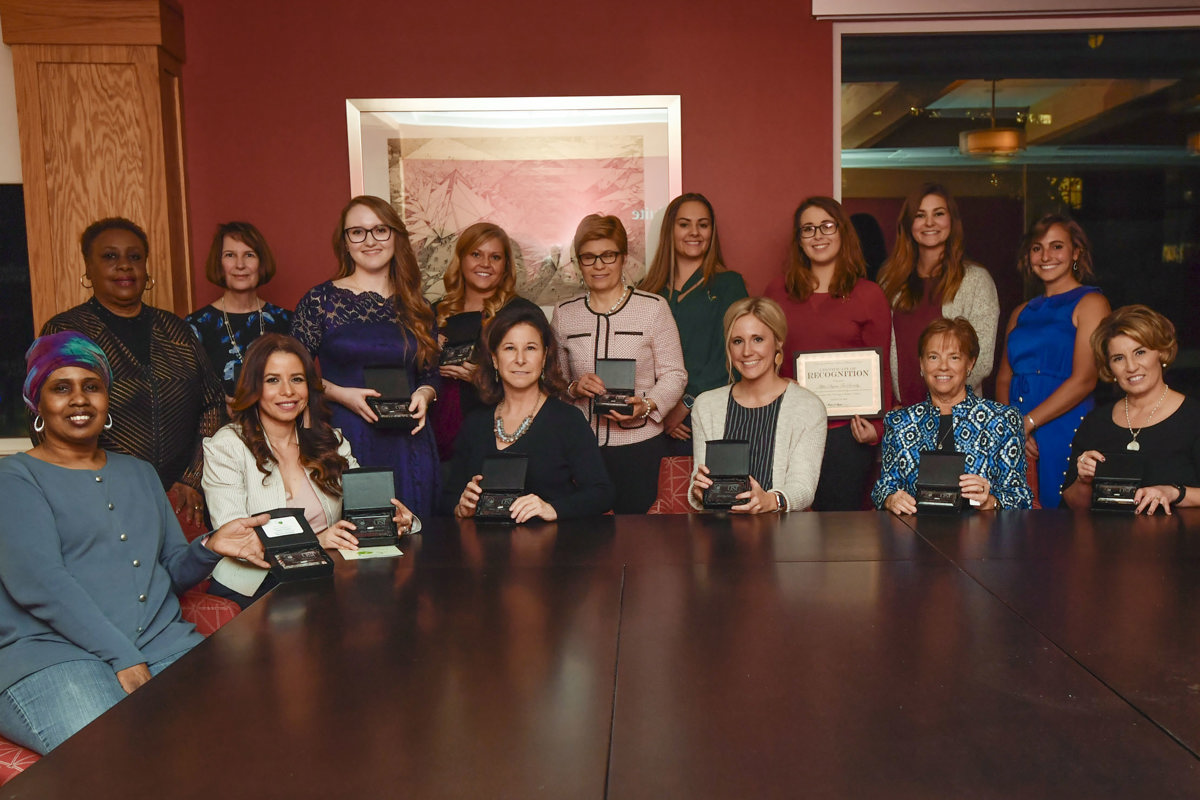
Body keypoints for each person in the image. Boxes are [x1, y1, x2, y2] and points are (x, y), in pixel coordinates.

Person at [0, 331, 268, 755]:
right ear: (37, 403)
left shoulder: (140, 473)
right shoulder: (15, 478)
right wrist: (123, 657)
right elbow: (41, 583)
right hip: (51, 656)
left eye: (91, 386)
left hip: (163, 644)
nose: (79, 399)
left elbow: (170, 570)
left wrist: (210, 548)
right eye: (60, 388)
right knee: (120, 756)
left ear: (107, 398)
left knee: (246, 735)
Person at [203, 334, 417, 606]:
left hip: (327, 574)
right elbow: (237, 539)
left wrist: (398, 520)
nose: (288, 391)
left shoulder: (330, 440)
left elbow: (370, 506)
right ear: (254, 387)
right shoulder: (227, 446)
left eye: (296, 379)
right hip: (257, 584)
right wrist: (317, 541)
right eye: (272, 380)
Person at [40, 217, 224, 529]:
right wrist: (93, 486)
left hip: (180, 500)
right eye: (110, 256)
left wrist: (192, 479)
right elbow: (49, 416)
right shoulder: (68, 333)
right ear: (88, 268)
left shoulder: (176, 330)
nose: (124, 266)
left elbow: (213, 404)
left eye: (135, 257)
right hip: (99, 499)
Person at [292, 195, 440, 519]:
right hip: (346, 438)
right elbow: (293, 373)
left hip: (410, 442)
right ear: (345, 242)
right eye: (357, 232)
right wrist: (341, 395)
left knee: (417, 545)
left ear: (395, 237)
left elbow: (430, 374)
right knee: (358, 542)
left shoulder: (418, 305)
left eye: (380, 230)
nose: (370, 240)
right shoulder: (321, 301)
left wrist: (424, 394)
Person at [553, 214, 687, 514]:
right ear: (578, 262)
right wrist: (575, 387)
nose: (599, 265)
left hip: (640, 447)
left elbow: (675, 374)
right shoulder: (564, 313)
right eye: (589, 257)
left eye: (608, 255)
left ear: (623, 258)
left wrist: (649, 405)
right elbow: (554, 380)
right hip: (581, 449)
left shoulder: (653, 308)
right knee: (588, 545)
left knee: (640, 542)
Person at [764, 196, 892, 510]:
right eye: (808, 229)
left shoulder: (869, 295)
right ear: (799, 240)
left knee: (839, 530)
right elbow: (766, 360)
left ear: (842, 232)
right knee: (786, 526)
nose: (818, 235)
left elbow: (883, 368)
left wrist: (876, 429)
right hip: (789, 425)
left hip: (846, 432)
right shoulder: (776, 292)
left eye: (826, 226)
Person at [445, 304, 614, 521]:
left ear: (544, 358)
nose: (520, 359)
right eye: (509, 348)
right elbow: (447, 497)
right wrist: (461, 506)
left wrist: (552, 509)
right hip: (486, 549)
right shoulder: (475, 423)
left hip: (552, 549)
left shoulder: (567, 420)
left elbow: (602, 492)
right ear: (495, 359)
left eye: (531, 348)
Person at [996, 213, 1110, 509]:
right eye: (1037, 247)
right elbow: (1004, 377)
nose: (1046, 256)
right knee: (1014, 519)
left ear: (1076, 252)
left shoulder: (1091, 303)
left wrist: (1029, 422)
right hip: (1018, 431)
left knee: (1061, 520)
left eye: (1057, 246)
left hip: (1064, 424)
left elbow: (1085, 378)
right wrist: (1012, 429)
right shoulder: (1021, 311)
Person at [873, 317, 1033, 514]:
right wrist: (891, 499)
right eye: (933, 357)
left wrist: (990, 501)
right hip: (915, 536)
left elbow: (1021, 497)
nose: (943, 366)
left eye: (954, 357)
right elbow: (883, 488)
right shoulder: (899, 422)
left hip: (980, 539)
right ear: (922, 365)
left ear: (970, 363)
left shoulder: (1003, 420)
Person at [689, 297, 827, 513]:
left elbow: (803, 486)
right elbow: (699, 479)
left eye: (758, 339)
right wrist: (699, 490)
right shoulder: (706, 406)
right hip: (720, 531)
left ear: (778, 342)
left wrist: (771, 501)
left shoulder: (808, 407)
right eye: (737, 341)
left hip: (782, 533)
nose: (746, 352)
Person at [1061, 305, 1200, 515]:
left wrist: (1174, 493)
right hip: (1109, 544)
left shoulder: (1194, 418)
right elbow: (1074, 506)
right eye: (1118, 358)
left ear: (1161, 352)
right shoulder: (1095, 422)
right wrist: (1084, 481)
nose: (1131, 367)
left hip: (1179, 543)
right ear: (1109, 367)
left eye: (1140, 352)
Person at [639, 193, 748, 455]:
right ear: (670, 230)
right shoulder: (647, 290)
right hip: (652, 420)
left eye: (703, 224)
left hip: (708, 416)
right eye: (684, 224)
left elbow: (733, 353)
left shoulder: (728, 284)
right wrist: (661, 408)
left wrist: (686, 403)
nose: (695, 232)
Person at [878, 183, 1000, 405]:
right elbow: (883, 354)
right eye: (920, 215)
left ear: (952, 221)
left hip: (958, 415)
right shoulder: (890, 282)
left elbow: (981, 361)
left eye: (939, 214)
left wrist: (940, 404)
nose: (930, 223)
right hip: (904, 416)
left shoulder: (975, 281)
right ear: (908, 224)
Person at [431, 222, 542, 462]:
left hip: (499, 437)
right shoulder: (436, 313)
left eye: (495, 257)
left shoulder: (521, 313)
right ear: (461, 259)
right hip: (437, 440)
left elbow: (543, 382)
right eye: (476, 254)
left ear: (505, 266)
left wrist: (482, 378)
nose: (485, 264)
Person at [186, 222, 293, 401]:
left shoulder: (288, 321)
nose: (240, 264)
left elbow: (301, 383)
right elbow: (186, 393)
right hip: (218, 426)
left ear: (261, 262)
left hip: (280, 426)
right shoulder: (194, 326)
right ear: (218, 262)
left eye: (249, 255)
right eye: (230, 255)